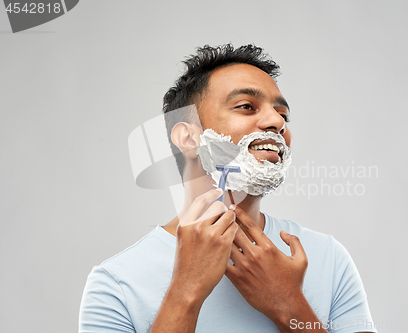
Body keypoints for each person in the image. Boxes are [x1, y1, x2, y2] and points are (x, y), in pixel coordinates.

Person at [79, 44, 376, 333]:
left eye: (283, 115)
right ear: (189, 138)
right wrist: (186, 290)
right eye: (246, 106)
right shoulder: (116, 282)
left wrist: (289, 305)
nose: (277, 122)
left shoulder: (327, 257)